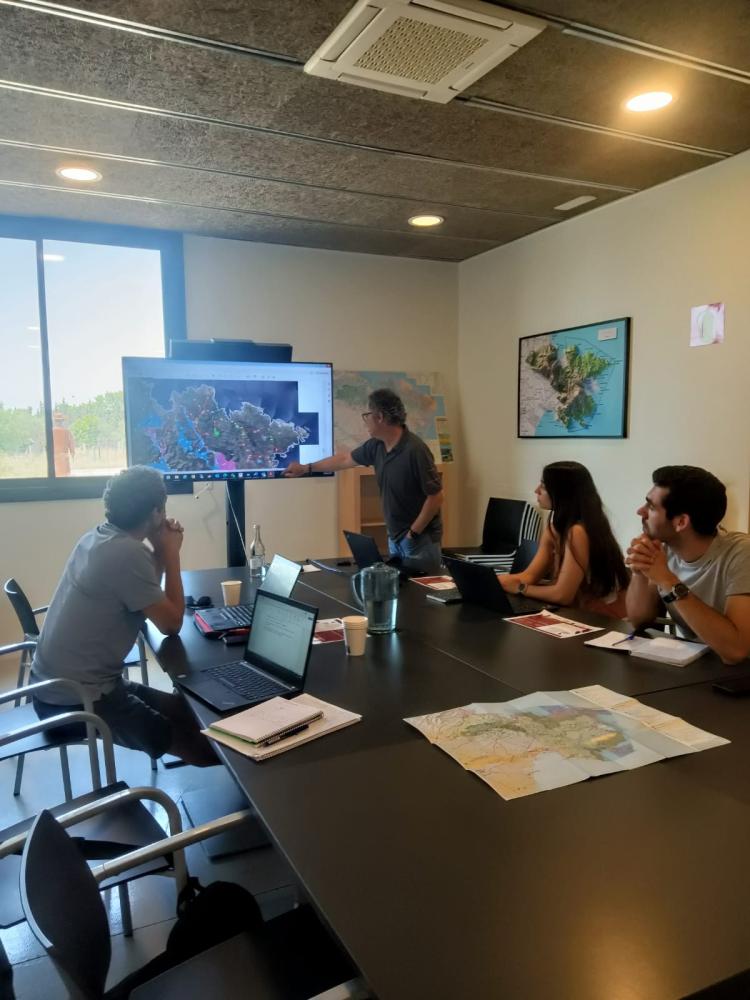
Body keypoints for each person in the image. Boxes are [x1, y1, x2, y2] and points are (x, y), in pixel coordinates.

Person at [31, 465, 217, 766]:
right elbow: (170, 624)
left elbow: (142, 591)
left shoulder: (100, 538)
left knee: (190, 713)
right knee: (207, 747)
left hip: (61, 687)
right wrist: (171, 553)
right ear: (157, 511)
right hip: (79, 700)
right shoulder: (125, 554)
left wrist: (158, 550)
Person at [284, 388, 443, 573]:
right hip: (396, 538)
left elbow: (436, 497)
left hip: (419, 540)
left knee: (420, 597)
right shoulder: (377, 446)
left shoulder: (415, 450)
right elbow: (345, 459)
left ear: (380, 417)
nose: (365, 421)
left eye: (367, 415)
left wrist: (413, 533)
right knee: (401, 594)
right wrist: (306, 468)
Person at [625, 465, 750, 664]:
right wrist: (641, 570)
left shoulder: (742, 554)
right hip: (698, 669)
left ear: (681, 522)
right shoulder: (663, 549)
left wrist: (667, 581)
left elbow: (736, 651)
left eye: (651, 507)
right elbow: (639, 619)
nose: (640, 511)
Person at [498, 461, 629, 617]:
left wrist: (521, 588)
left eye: (544, 486)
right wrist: (494, 581)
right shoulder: (555, 529)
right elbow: (530, 576)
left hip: (604, 623)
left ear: (562, 493)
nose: (536, 490)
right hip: (578, 615)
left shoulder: (578, 532)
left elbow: (562, 595)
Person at [52, 411, 75, 477]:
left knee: (56, 476)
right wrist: (72, 453)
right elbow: (71, 444)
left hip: (54, 458)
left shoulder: (51, 432)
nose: (60, 422)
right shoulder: (67, 431)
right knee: (65, 476)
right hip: (64, 458)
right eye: (60, 421)